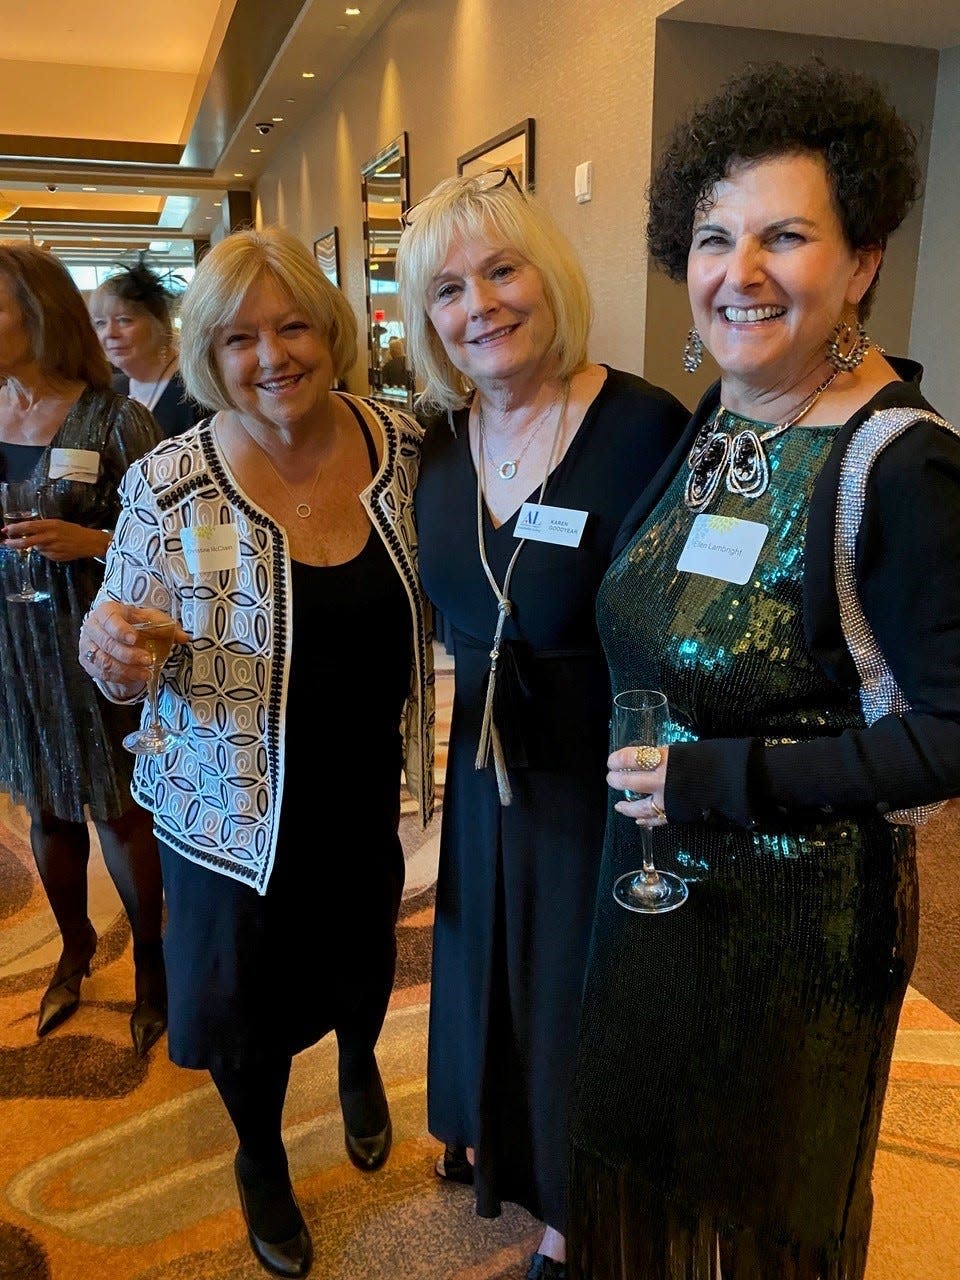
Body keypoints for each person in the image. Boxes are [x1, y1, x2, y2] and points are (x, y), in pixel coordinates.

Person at [566, 60, 960, 1280]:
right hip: (651, 879)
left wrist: (718, 780)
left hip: (796, 919)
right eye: (712, 236)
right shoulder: (722, 415)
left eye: (785, 236)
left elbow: (952, 734)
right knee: (646, 1159)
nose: (739, 273)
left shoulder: (903, 466)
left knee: (760, 1206)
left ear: (862, 260)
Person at [77, 225, 434, 1280]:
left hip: (361, 775)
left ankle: (362, 1058)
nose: (272, 355)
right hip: (225, 796)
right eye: (238, 338)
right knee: (243, 999)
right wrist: (109, 649)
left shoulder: (403, 443)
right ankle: (260, 1154)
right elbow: (114, 649)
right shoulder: (168, 482)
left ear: (332, 330)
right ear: (208, 355)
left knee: (364, 947)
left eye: (292, 326)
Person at [395, 169, 688, 1279]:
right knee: (480, 955)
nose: (481, 306)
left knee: (576, 983)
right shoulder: (429, 443)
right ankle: (488, 1129)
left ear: (548, 274)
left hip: (600, 767)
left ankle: (574, 1206)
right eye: (448, 291)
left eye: (502, 270)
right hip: (480, 766)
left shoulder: (641, 424)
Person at [0, 242, 167, 1055]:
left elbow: (166, 537)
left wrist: (91, 537)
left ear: (38, 315)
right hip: (11, 645)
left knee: (121, 813)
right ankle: (72, 951)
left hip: (95, 642)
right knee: (45, 809)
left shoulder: (113, 417)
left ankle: (156, 974)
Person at [88, 255, 204, 438]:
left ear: (158, 324)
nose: (110, 333)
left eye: (124, 320)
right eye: (100, 323)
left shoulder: (195, 392)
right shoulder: (111, 391)